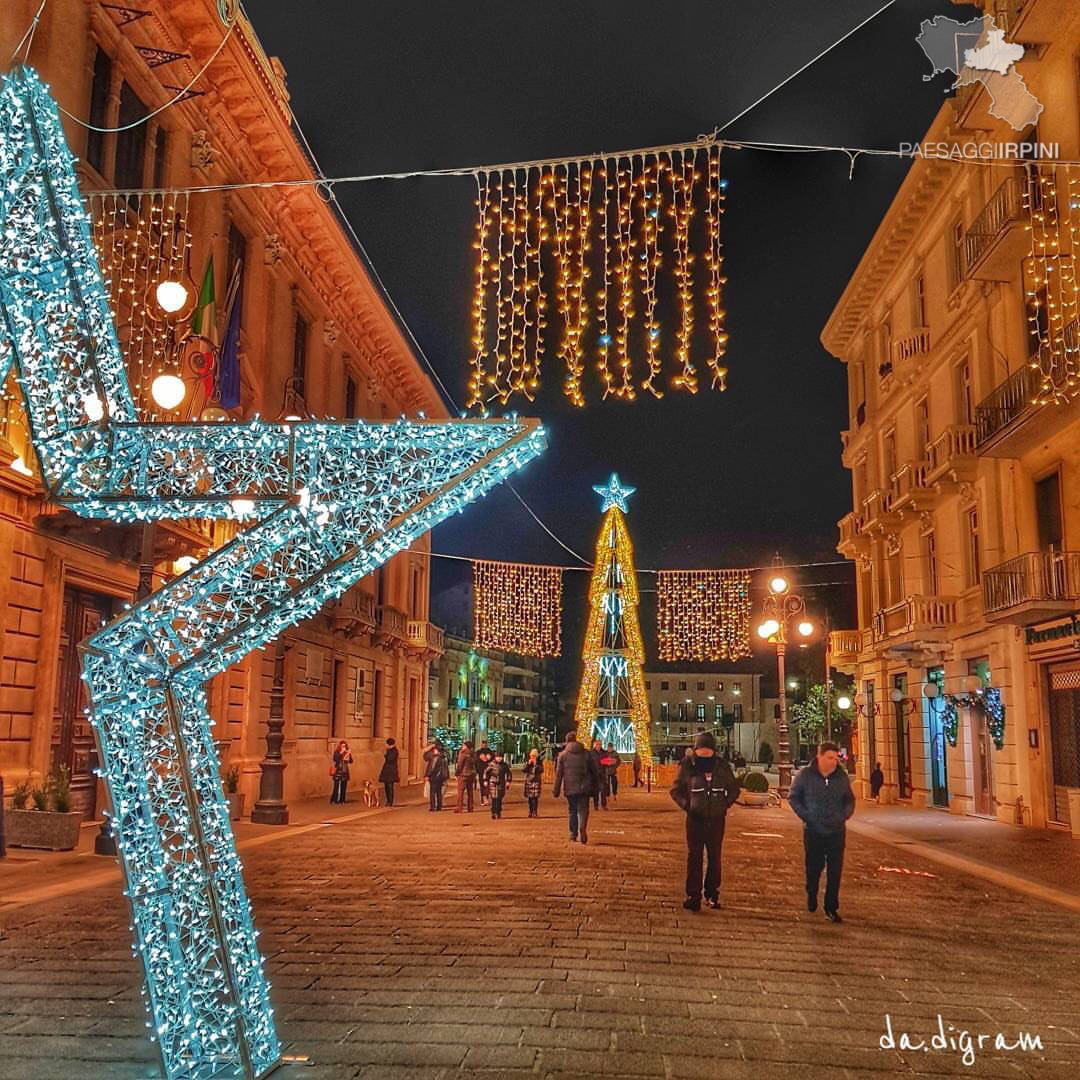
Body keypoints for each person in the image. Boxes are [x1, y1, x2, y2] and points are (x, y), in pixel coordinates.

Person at [670, 732, 739, 911]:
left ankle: (712, 893)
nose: (704, 754)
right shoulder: (687, 765)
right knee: (695, 857)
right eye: (701, 750)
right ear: (696, 750)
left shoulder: (722, 766)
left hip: (716, 819)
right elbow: (676, 790)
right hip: (695, 819)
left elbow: (734, 789)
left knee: (715, 857)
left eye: (708, 751)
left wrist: (724, 804)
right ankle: (693, 895)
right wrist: (688, 806)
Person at [789, 741, 856, 923]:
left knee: (835, 870)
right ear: (820, 757)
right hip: (813, 830)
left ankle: (831, 907)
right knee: (814, 867)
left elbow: (849, 800)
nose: (833, 762)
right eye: (829, 758)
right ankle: (812, 892)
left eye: (836, 758)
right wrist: (807, 816)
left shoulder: (841, 777)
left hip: (836, 830)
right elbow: (793, 797)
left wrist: (844, 815)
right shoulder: (805, 775)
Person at [553, 731, 600, 844]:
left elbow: (559, 774)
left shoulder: (562, 755)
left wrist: (556, 790)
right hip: (584, 787)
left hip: (570, 787)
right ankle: (582, 827)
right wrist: (596, 786)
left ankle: (573, 833)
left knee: (572, 810)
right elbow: (594, 771)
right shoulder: (586, 753)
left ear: (567, 741)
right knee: (583, 810)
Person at [485, 751, 512, 819]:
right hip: (493, 783)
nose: (499, 758)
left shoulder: (504, 765)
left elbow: (508, 773)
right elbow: (486, 772)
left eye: (500, 757)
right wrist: (485, 780)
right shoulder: (491, 764)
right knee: (494, 798)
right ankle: (494, 812)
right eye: (497, 757)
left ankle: (498, 812)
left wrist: (508, 781)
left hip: (501, 783)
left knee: (499, 798)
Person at [425, 743, 450, 812]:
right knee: (439, 792)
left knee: (432, 792)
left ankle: (433, 807)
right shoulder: (443, 757)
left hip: (434, 777)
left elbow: (431, 768)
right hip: (441, 777)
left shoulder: (435, 758)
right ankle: (439, 806)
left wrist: (427, 775)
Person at [456, 741, 477, 813]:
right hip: (471, 774)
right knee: (470, 791)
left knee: (460, 791)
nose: (462, 746)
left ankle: (459, 808)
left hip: (463, 774)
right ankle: (470, 808)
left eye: (463, 745)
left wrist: (457, 773)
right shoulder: (473, 753)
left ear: (466, 746)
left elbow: (460, 764)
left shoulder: (463, 753)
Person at [330, 740, 353, 805]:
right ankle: (334, 800)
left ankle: (342, 799)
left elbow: (351, 761)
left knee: (344, 786)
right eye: (342, 746)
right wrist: (340, 753)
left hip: (344, 771)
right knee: (336, 786)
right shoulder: (337, 752)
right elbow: (335, 759)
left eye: (345, 746)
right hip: (338, 770)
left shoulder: (347, 752)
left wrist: (349, 756)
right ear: (340, 746)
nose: (344, 747)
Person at [378, 737, 399, 806]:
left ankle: (390, 801)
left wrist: (386, 754)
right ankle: (388, 800)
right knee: (386, 786)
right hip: (387, 770)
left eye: (386, 744)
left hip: (391, 771)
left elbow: (390, 759)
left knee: (390, 786)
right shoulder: (389, 750)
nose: (385, 745)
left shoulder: (394, 751)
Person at [523, 748, 543, 817]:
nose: (533, 757)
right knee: (530, 798)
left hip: (536, 781)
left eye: (534, 756)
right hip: (529, 781)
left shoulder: (539, 762)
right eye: (532, 756)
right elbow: (524, 770)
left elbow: (541, 770)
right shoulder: (527, 762)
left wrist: (536, 765)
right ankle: (530, 811)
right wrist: (528, 764)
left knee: (535, 798)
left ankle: (535, 811)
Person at [475, 739, 495, 804]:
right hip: (481, 771)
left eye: (485, 744)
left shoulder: (490, 752)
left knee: (487, 785)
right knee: (482, 785)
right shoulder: (478, 752)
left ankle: (486, 797)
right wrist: (476, 770)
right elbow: (476, 762)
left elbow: (493, 760)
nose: (484, 745)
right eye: (483, 744)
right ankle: (483, 799)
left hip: (489, 771)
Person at [590, 739, 606, 809]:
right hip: (594, 774)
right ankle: (596, 805)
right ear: (594, 745)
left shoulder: (604, 753)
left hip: (602, 773)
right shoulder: (591, 753)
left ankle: (603, 805)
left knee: (603, 790)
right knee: (595, 790)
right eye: (597, 744)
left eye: (600, 744)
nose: (598, 746)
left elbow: (608, 761)